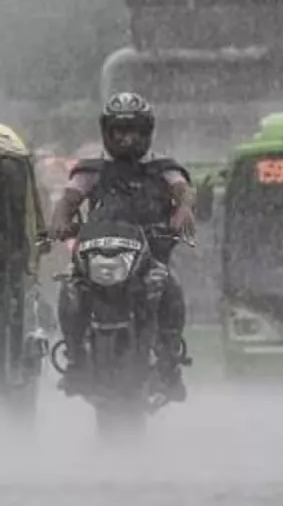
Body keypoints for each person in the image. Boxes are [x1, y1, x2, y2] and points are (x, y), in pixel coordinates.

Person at [47, 92, 196, 401]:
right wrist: (60, 219)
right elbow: (69, 199)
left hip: (149, 257)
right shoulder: (91, 171)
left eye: (134, 130)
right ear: (107, 132)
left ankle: (169, 364)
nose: (126, 138)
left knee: (170, 286)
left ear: (146, 132)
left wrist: (183, 210)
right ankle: (75, 359)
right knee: (70, 287)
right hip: (98, 254)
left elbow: (184, 190)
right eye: (119, 130)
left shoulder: (162, 167)